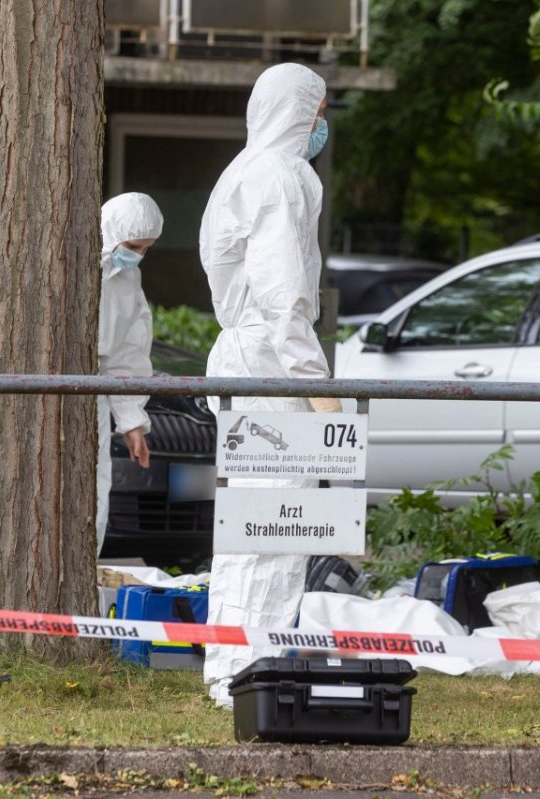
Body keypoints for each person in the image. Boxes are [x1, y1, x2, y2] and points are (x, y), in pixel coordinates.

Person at [199, 62, 339, 707]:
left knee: (246, 532)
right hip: (272, 370)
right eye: (320, 108)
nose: (323, 124)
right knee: (278, 529)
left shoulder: (241, 170)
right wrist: (320, 387)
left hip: (246, 361)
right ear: (300, 109)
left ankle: (230, 667)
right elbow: (285, 299)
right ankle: (251, 673)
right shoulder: (284, 178)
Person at [96, 192, 164, 556]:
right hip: (45, 391)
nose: (139, 255)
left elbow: (126, 354)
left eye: (147, 248)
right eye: (134, 245)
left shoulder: (127, 279)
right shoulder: (72, 265)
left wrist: (132, 421)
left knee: (92, 492)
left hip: (92, 395)